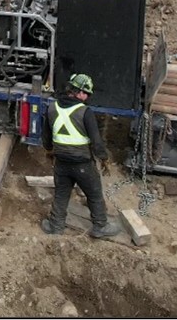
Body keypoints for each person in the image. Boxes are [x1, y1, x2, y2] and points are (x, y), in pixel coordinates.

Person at [41, 73, 121, 239]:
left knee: (61, 193)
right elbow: (96, 141)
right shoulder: (85, 112)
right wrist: (104, 158)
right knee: (94, 194)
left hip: (61, 162)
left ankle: (55, 226)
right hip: (82, 164)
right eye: (87, 94)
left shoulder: (51, 108)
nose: (87, 97)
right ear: (80, 92)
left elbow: (46, 137)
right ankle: (100, 226)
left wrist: (49, 151)